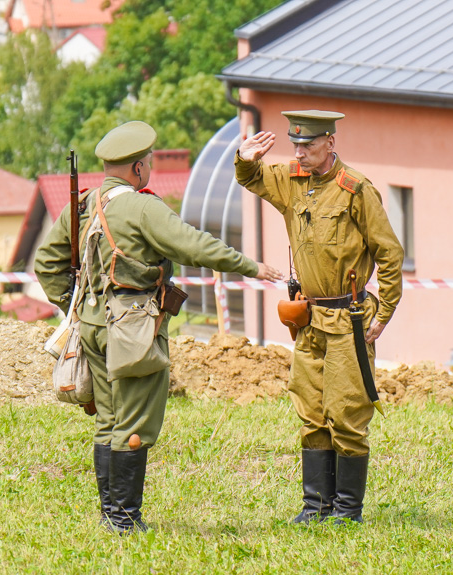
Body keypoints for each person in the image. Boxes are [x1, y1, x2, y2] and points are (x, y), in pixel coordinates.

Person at [35, 121, 282, 534]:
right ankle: (125, 520)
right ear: (137, 168)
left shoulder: (83, 205)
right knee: (133, 426)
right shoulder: (144, 208)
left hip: (92, 326)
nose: (148, 167)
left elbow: (46, 264)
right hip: (132, 330)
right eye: (146, 162)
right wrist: (250, 266)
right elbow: (195, 245)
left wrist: (77, 305)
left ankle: (110, 515)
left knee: (108, 420)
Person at [235, 110, 404, 524]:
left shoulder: (355, 190)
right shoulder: (292, 180)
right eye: (295, 145)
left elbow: (389, 252)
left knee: (346, 411)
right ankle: (315, 506)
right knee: (310, 410)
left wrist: (384, 313)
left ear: (330, 142)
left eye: (308, 146)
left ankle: (347, 511)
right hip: (308, 320)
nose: (300, 153)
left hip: (348, 319)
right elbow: (252, 179)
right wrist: (244, 157)